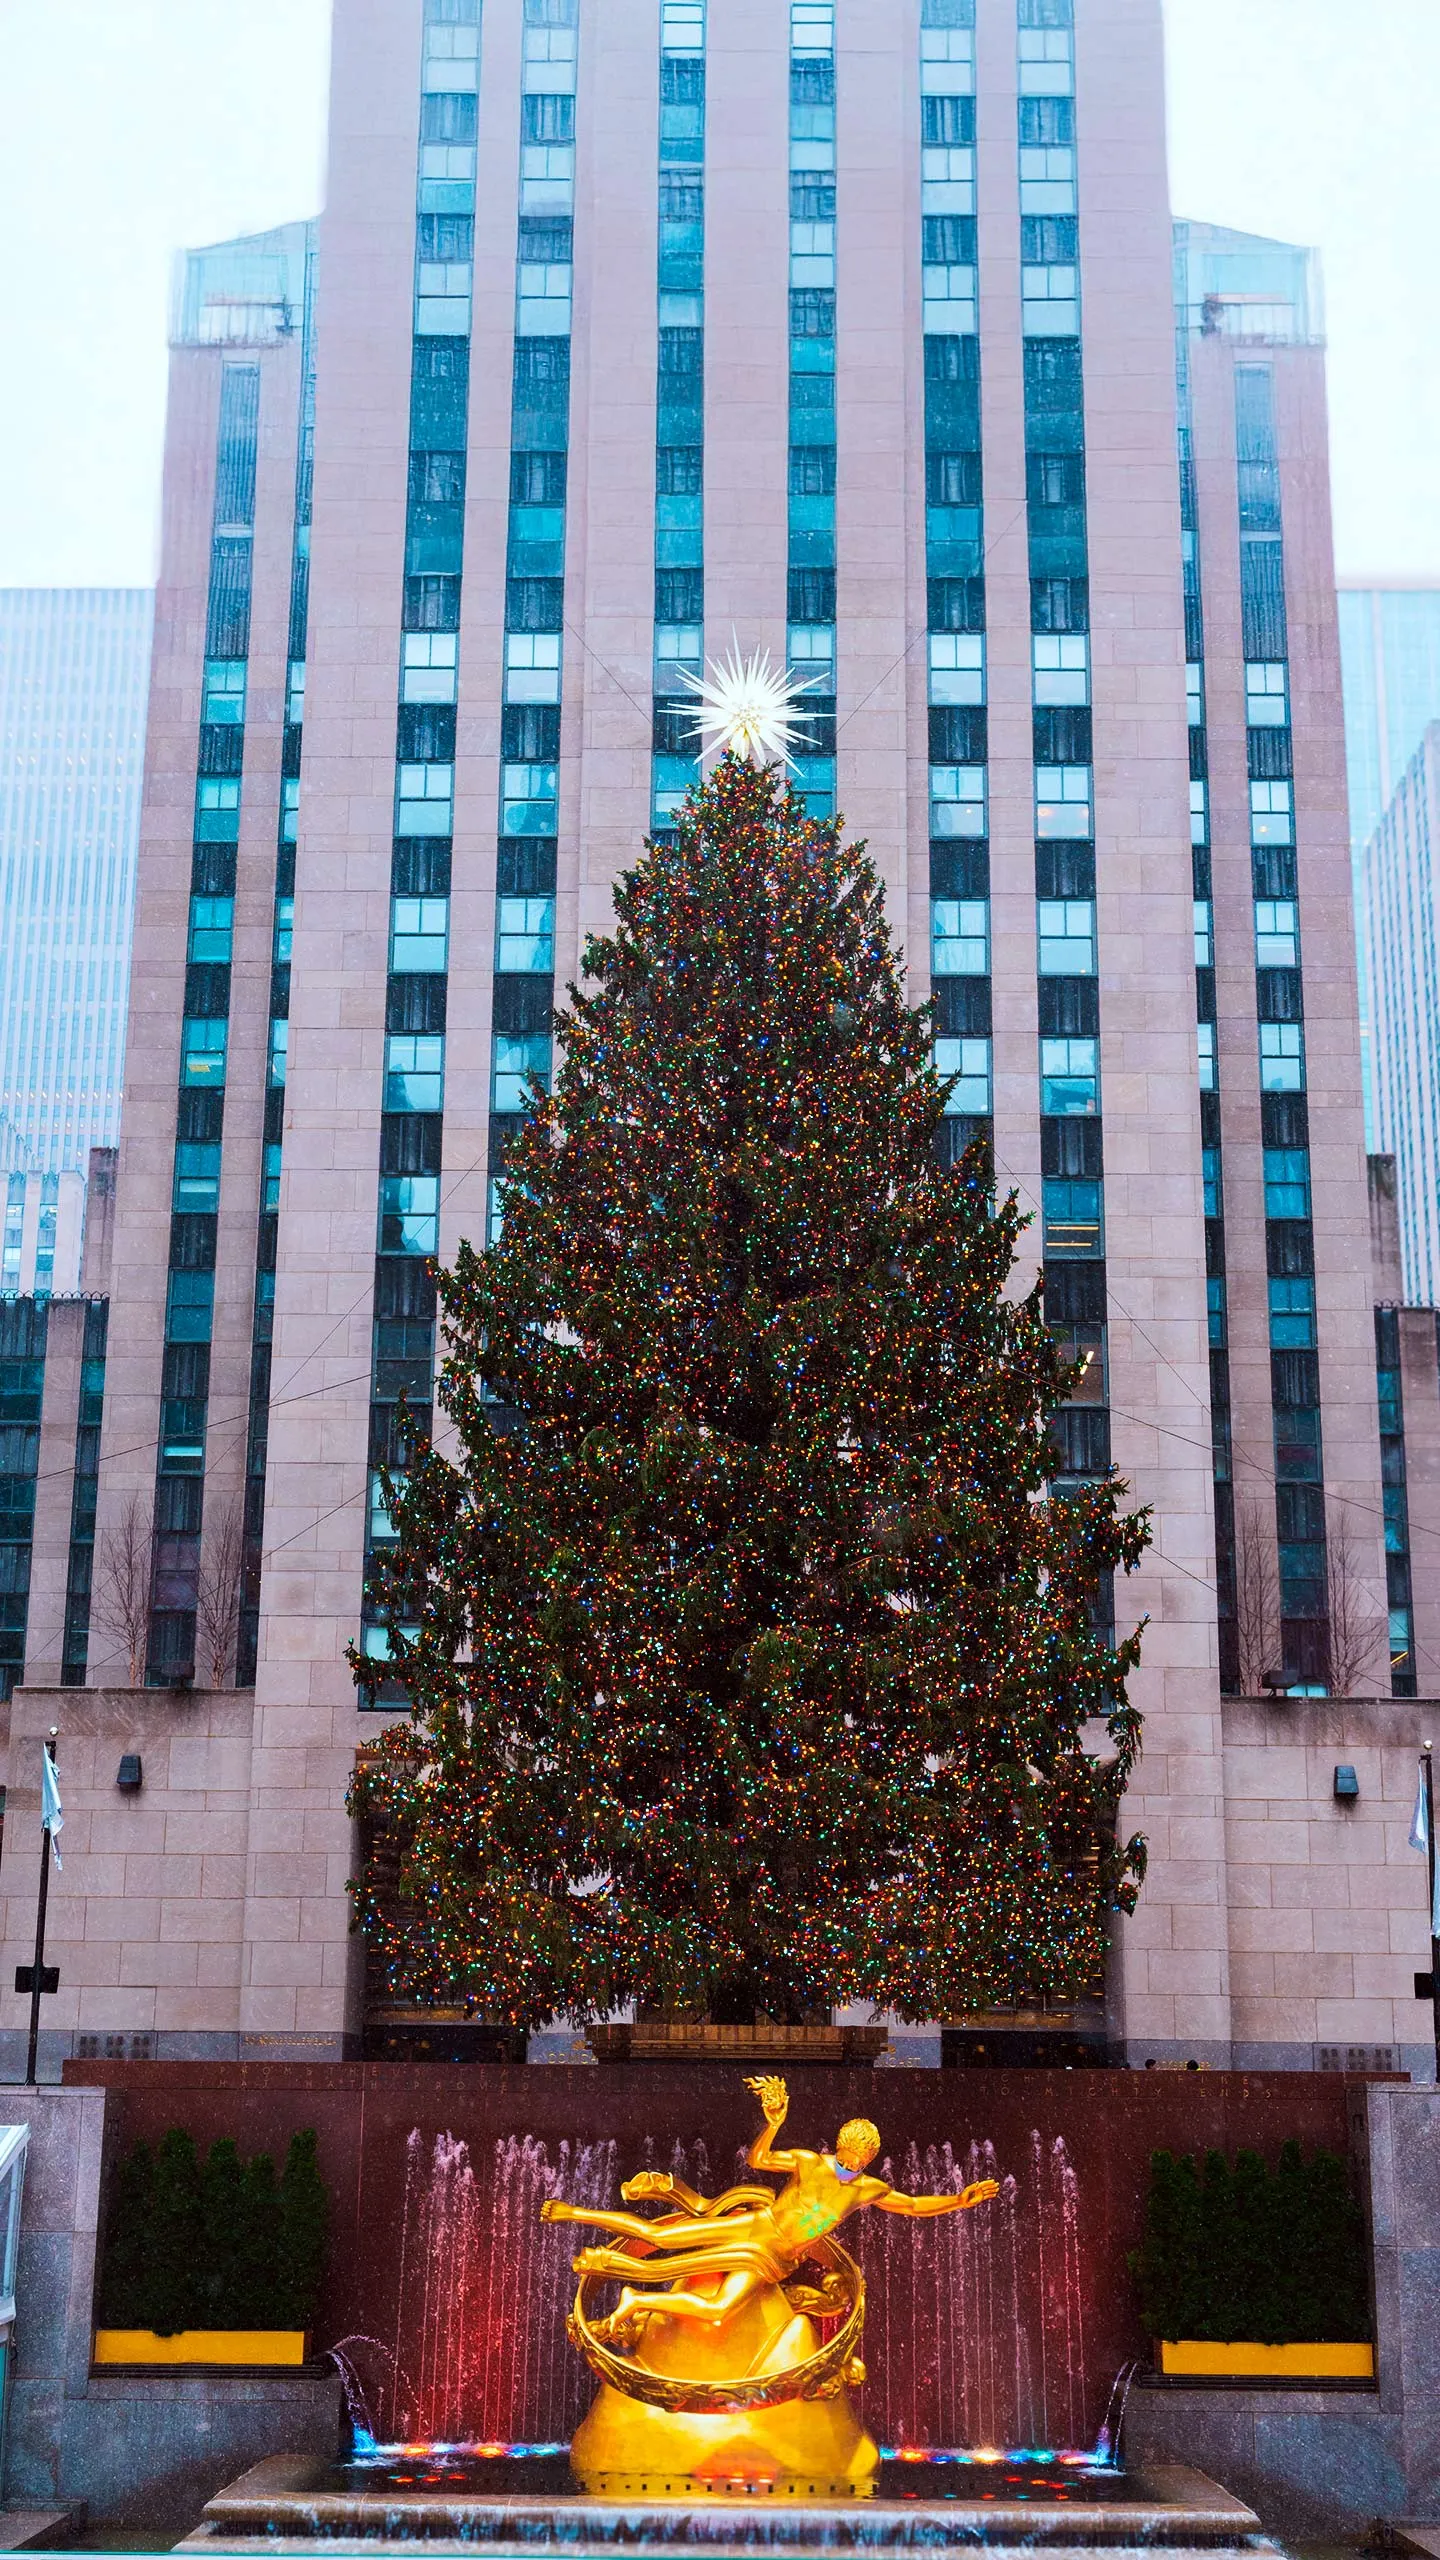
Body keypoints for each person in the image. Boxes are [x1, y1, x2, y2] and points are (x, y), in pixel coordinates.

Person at [541, 2072, 998, 2347]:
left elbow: (914, 2205)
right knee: (660, 2238)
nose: (850, 2157)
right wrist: (773, 2124)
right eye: (847, 2149)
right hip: (756, 2227)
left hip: (774, 2260)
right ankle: (574, 2213)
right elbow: (758, 2161)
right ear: (840, 2145)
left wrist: (958, 2200)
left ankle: (636, 2300)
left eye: (858, 2154)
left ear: (869, 2157)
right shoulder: (807, 2162)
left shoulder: (866, 2189)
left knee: (718, 2310)